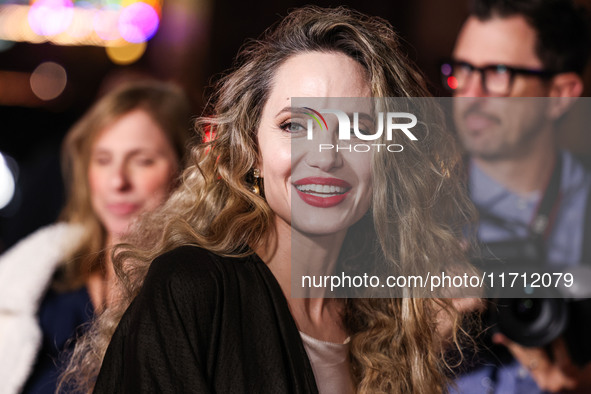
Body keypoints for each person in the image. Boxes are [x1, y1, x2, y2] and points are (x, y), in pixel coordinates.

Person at [64, 6, 475, 394]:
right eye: (294, 125)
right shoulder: (192, 290)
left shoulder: (390, 319)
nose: (325, 155)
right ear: (252, 151)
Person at [0, 80, 191, 394]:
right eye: (102, 160)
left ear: (186, 167)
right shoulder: (39, 290)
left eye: (142, 160)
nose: (117, 181)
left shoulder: (204, 297)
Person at [441, 0, 591, 392]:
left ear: (559, 95)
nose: (470, 94)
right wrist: (412, 333)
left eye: (497, 74)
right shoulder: (412, 208)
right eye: (461, 70)